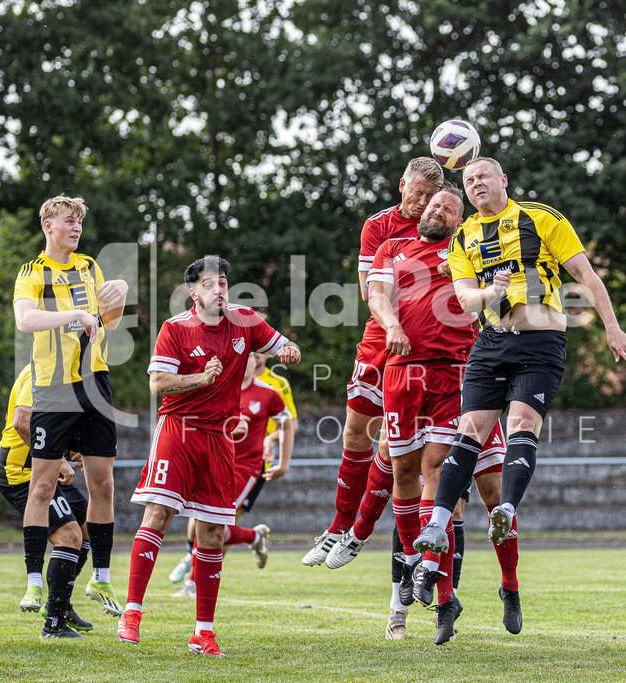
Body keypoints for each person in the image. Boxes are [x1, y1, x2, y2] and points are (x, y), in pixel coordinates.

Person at [414, 157, 626, 634]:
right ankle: (436, 522)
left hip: (540, 343)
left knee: (521, 424)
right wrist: (491, 292)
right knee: (469, 431)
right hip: (490, 344)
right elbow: (465, 299)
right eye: (469, 180)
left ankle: (505, 511)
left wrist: (612, 327)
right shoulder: (462, 237)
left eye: (483, 176)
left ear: (503, 181)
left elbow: (587, 276)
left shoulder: (541, 217)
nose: (476, 184)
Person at [119, 256, 301, 657]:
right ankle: (132, 612)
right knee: (158, 515)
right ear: (193, 292)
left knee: (214, 532)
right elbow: (157, 383)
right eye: (209, 284)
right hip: (178, 430)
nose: (219, 289)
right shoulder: (175, 328)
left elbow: (282, 344)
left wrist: (290, 350)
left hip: (220, 438)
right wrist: (201, 378)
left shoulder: (246, 321)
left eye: (222, 282)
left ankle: (203, 632)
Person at [354, 188, 512, 643]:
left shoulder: (472, 248)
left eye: (450, 208)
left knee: (462, 484)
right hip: (402, 373)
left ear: (460, 220)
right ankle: (404, 587)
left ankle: (468, 592)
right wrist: (393, 325)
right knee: (405, 473)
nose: (439, 210)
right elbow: (375, 295)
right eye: (435, 204)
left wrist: (471, 280)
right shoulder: (393, 247)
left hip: (462, 376)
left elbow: (500, 302)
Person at [302, 157, 443, 566]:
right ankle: (337, 527)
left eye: (431, 196)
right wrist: (399, 316)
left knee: (392, 444)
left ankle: (358, 533)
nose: (423, 202)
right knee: (355, 433)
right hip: (382, 336)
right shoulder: (379, 226)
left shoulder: (445, 227)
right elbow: (369, 290)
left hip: (429, 345)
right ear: (402, 185)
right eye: (417, 193)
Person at [13, 195, 129, 638]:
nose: (76, 227)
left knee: (103, 484)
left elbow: (108, 323)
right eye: (68, 220)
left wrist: (119, 294)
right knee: (43, 486)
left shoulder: (89, 267)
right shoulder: (32, 272)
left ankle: (101, 578)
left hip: (95, 385)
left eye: (79, 221)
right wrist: (75, 313)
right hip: (54, 388)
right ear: (48, 225)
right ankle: (33, 580)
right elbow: (25, 320)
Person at [170, 351, 295, 598]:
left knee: (211, 522)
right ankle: (254, 536)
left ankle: (192, 584)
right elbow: (198, 422)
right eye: (242, 357)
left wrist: (283, 464)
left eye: (251, 357)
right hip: (215, 462)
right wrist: (227, 426)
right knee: (202, 520)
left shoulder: (269, 393)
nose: (247, 361)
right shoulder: (218, 390)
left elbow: (287, 424)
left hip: (246, 469)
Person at [0, 364, 93, 632]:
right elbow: (22, 421)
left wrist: (74, 448)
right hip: (21, 472)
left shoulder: (72, 372)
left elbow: (53, 425)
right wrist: (59, 459)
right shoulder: (42, 369)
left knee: (87, 528)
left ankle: (60, 601)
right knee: (69, 535)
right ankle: (54, 624)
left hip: (44, 467)